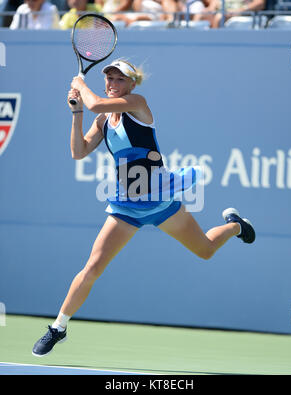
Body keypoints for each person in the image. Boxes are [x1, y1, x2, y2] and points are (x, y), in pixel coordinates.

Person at [32, 59, 255, 357]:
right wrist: (76, 113)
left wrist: (81, 86)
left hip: (161, 200)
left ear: (132, 84)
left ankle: (235, 225)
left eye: (119, 80)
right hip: (127, 207)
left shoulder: (137, 103)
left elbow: (97, 103)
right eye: (109, 78)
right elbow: (78, 152)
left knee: (205, 250)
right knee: (93, 267)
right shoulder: (101, 119)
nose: (112, 84)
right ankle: (58, 328)